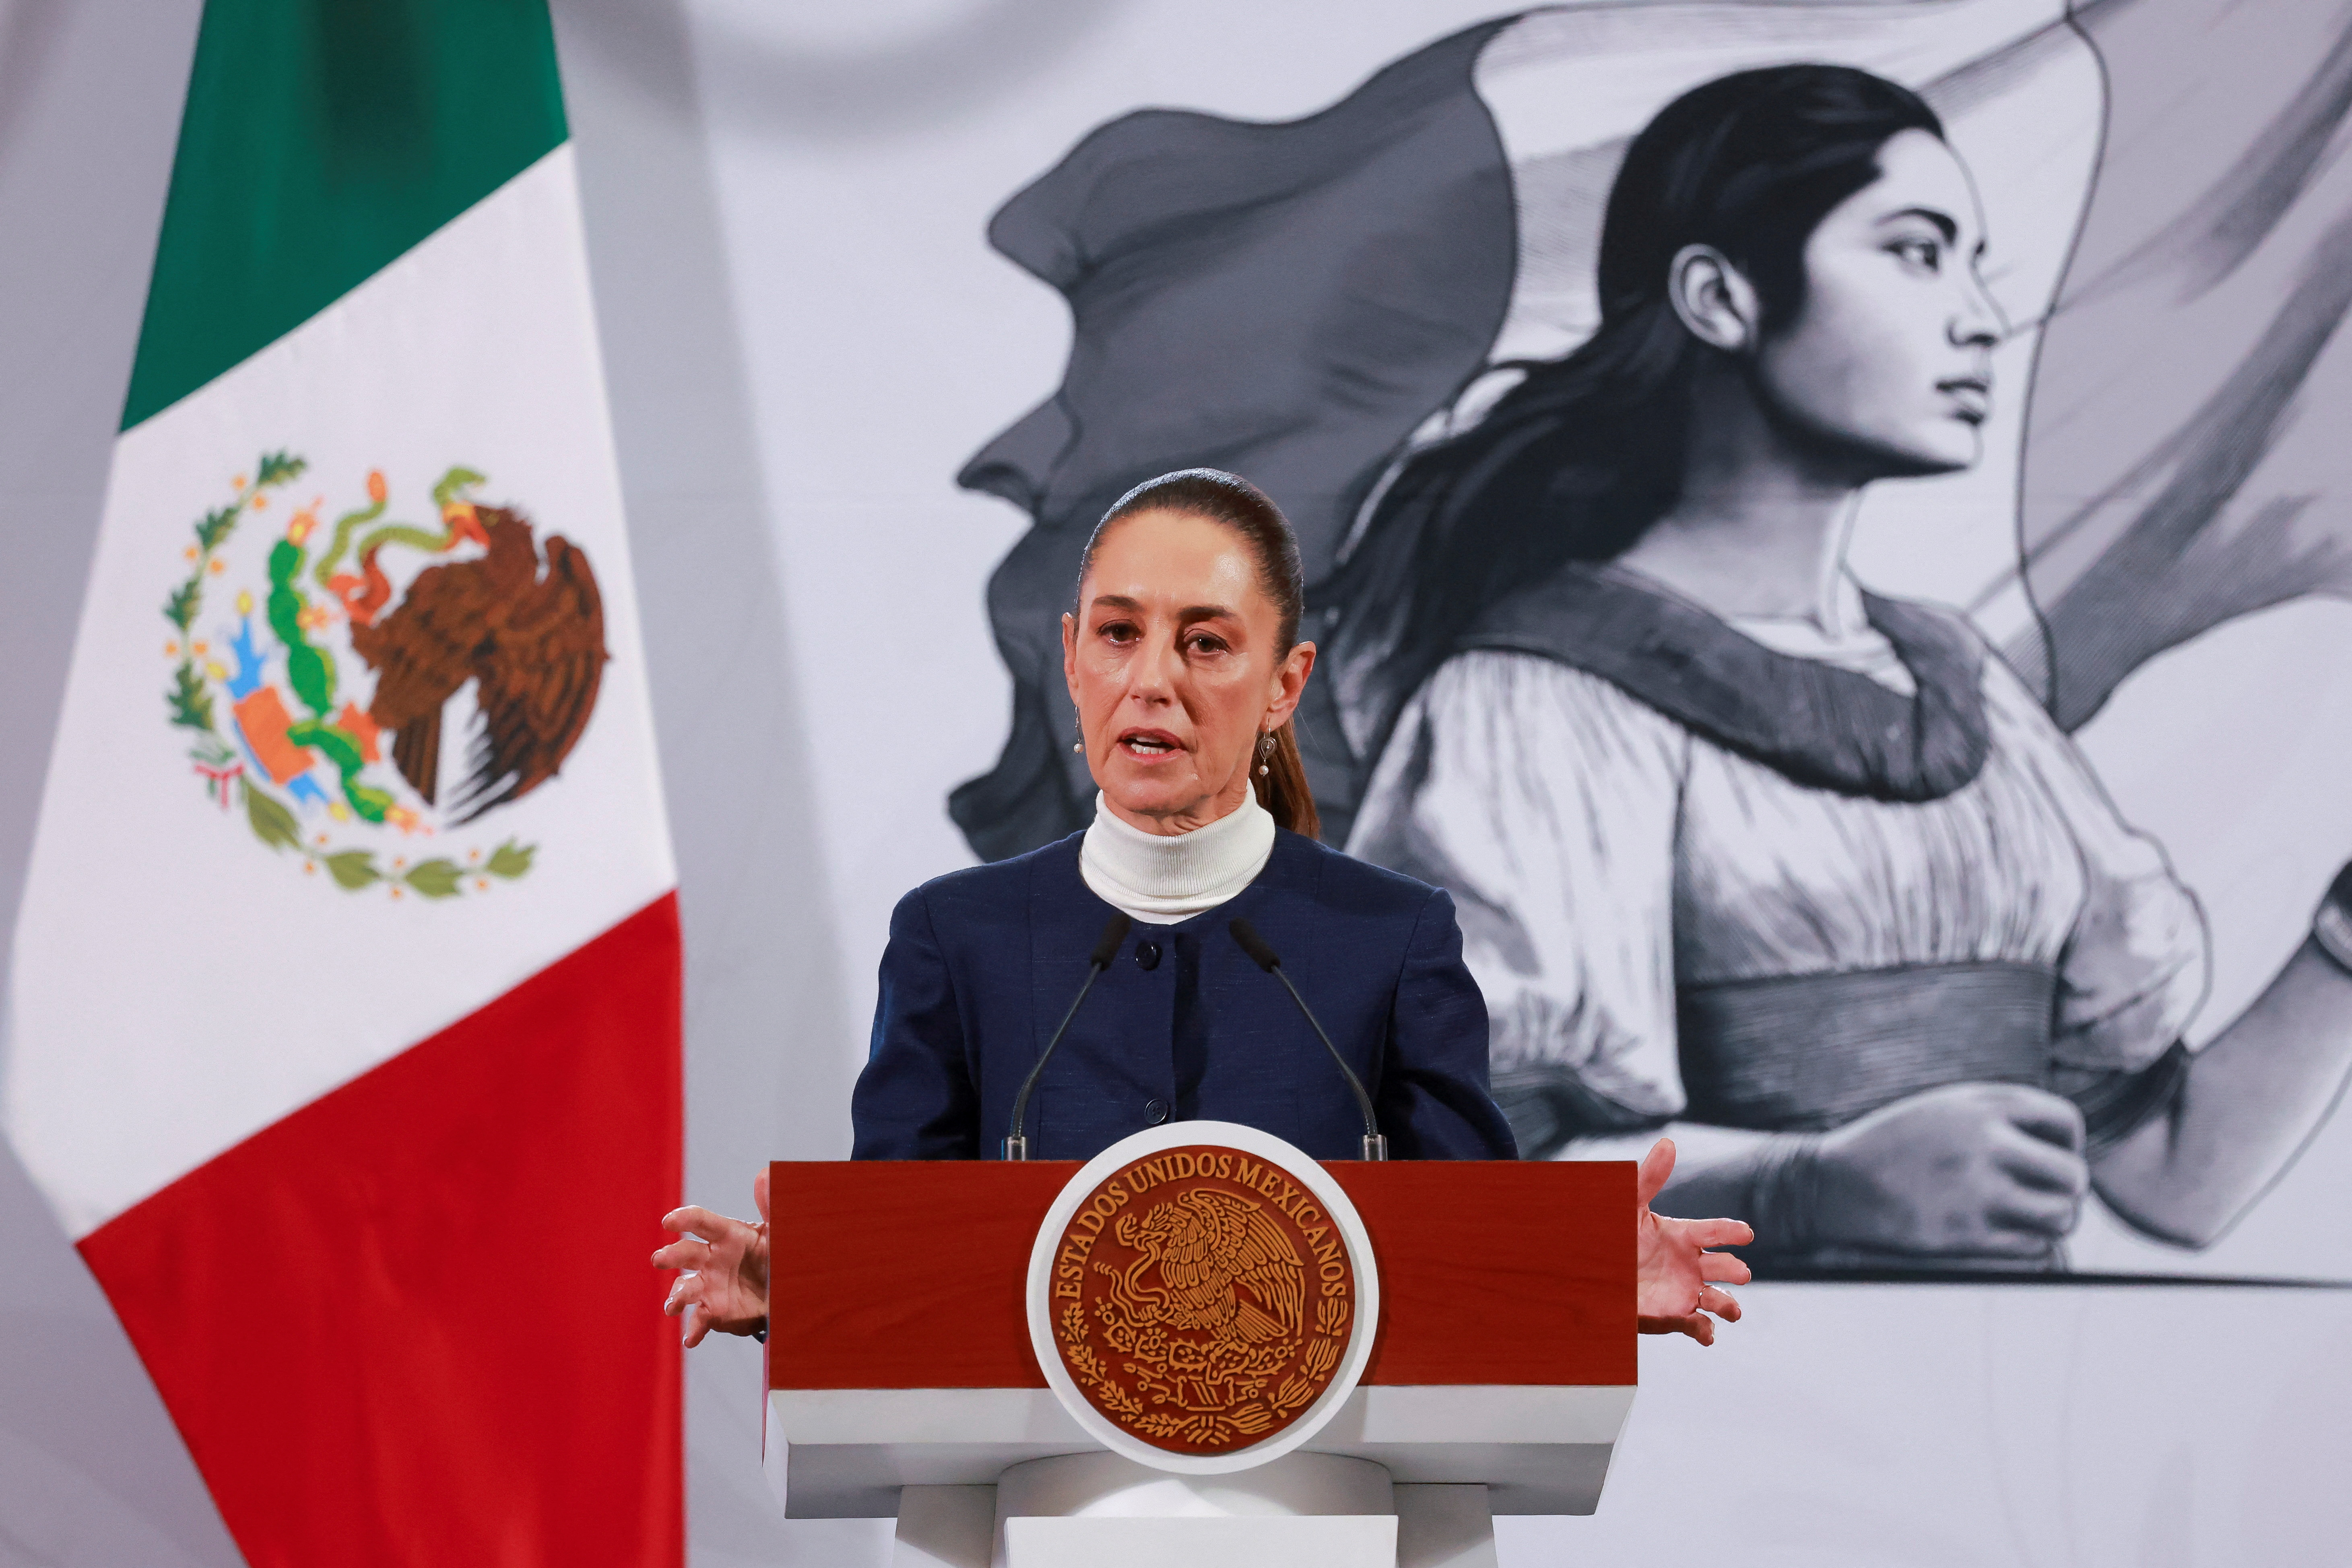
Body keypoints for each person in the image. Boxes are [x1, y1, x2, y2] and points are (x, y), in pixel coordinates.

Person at [1332, 64, 2352, 1271]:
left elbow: (2173, 1177)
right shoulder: (1533, 703)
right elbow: (1440, 1204)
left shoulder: (1959, 685)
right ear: (1718, 296)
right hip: (1711, 1423)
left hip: (1999, 1424)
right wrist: (1803, 1190)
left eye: (1975, 263)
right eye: (1917, 253)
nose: (1978, 316)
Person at [657, 469, 1754, 1339]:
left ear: (1285, 685)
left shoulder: (1390, 939)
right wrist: (801, 1285)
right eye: (1118, 633)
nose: (1152, 680)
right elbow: (904, 1250)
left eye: (1207, 643)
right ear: (1072, 660)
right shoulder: (959, 937)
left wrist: (1575, 1274)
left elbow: (1461, 1244)